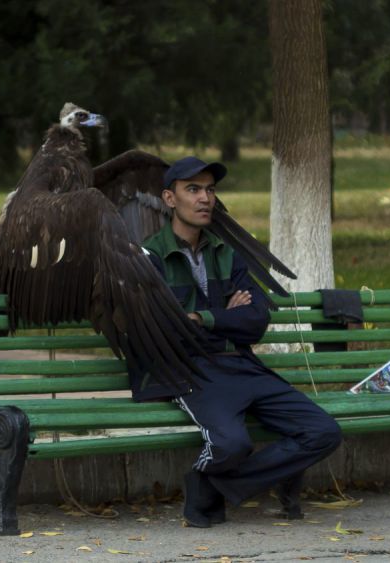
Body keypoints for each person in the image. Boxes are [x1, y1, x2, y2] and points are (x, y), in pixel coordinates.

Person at [138, 155, 342, 528]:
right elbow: (165, 330)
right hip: (191, 371)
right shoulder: (149, 257)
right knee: (232, 445)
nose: (205, 199)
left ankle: (209, 484)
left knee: (322, 431)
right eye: (193, 189)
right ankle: (216, 485)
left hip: (241, 365)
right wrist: (225, 315)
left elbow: (256, 320)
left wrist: (203, 317)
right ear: (170, 199)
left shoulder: (225, 254)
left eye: (210, 190)